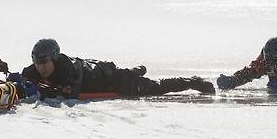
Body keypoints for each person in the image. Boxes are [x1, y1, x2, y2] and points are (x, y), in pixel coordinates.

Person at [13, 38, 215, 99]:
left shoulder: (68, 70)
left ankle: (193, 81)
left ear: (54, 59)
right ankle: (136, 70)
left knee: (156, 88)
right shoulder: (37, 68)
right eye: (37, 63)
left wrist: (42, 90)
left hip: (117, 80)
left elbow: (69, 94)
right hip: (101, 69)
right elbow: (23, 78)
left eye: (44, 63)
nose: (40, 68)